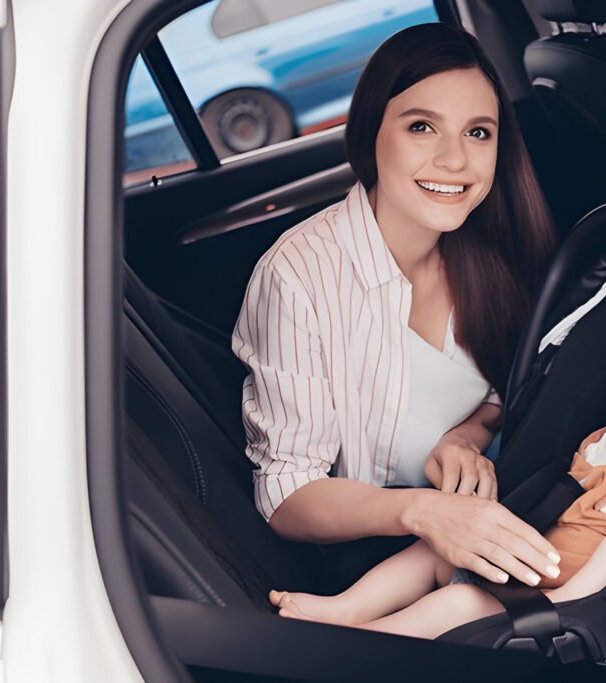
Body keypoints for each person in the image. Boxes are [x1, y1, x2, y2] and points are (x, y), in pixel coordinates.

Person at [231, 22, 560, 588]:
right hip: (380, 572)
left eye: (478, 133)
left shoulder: (497, 242)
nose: (455, 160)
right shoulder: (297, 277)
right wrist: (423, 512)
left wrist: (466, 437)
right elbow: (286, 493)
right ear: (371, 133)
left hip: (507, 523)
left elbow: (518, 389)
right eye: (422, 127)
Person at [269, 290, 606, 639]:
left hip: (557, 592)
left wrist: (567, 612)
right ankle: (346, 609)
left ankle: (364, 648)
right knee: (434, 549)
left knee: (457, 603)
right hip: (524, 556)